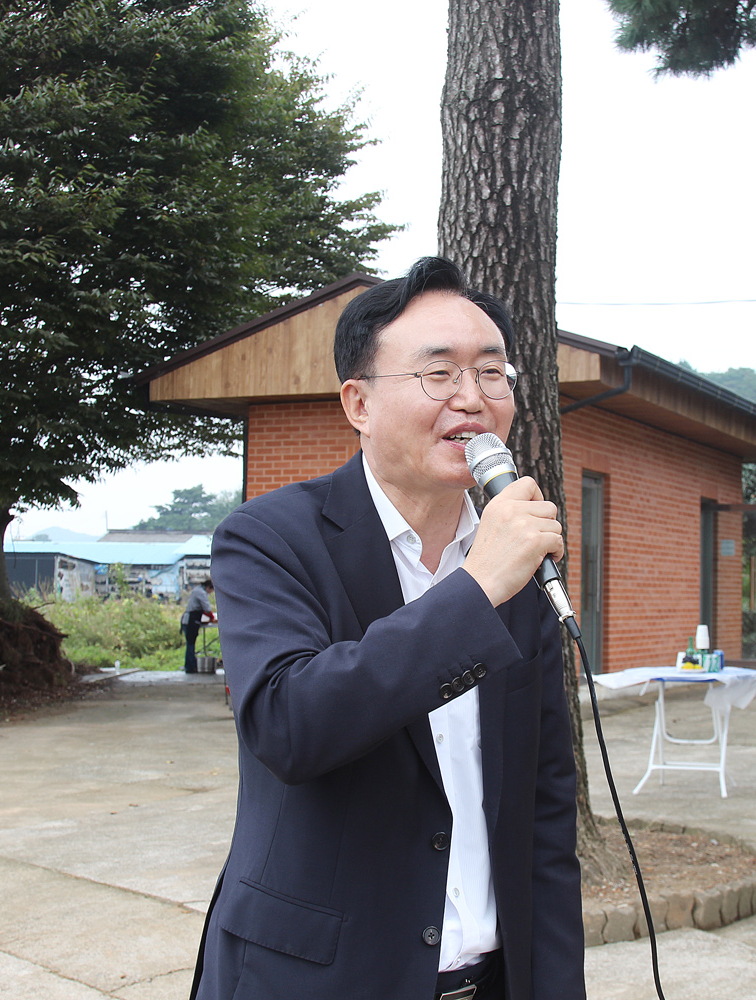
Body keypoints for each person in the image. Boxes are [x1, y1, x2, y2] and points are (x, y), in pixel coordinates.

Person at [191, 257, 585, 1000]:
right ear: (358, 403)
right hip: (316, 980)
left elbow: (543, 807)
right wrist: (476, 590)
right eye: (438, 374)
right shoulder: (270, 537)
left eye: (493, 373)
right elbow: (290, 724)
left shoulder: (516, 558)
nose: (471, 399)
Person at [184, 578, 216, 673]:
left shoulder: (197, 590)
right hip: (191, 619)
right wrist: (212, 617)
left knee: (191, 643)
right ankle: (190, 666)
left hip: (192, 618)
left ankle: (190, 665)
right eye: (211, 590)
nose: (210, 593)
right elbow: (206, 608)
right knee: (190, 644)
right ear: (208, 587)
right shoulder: (201, 592)